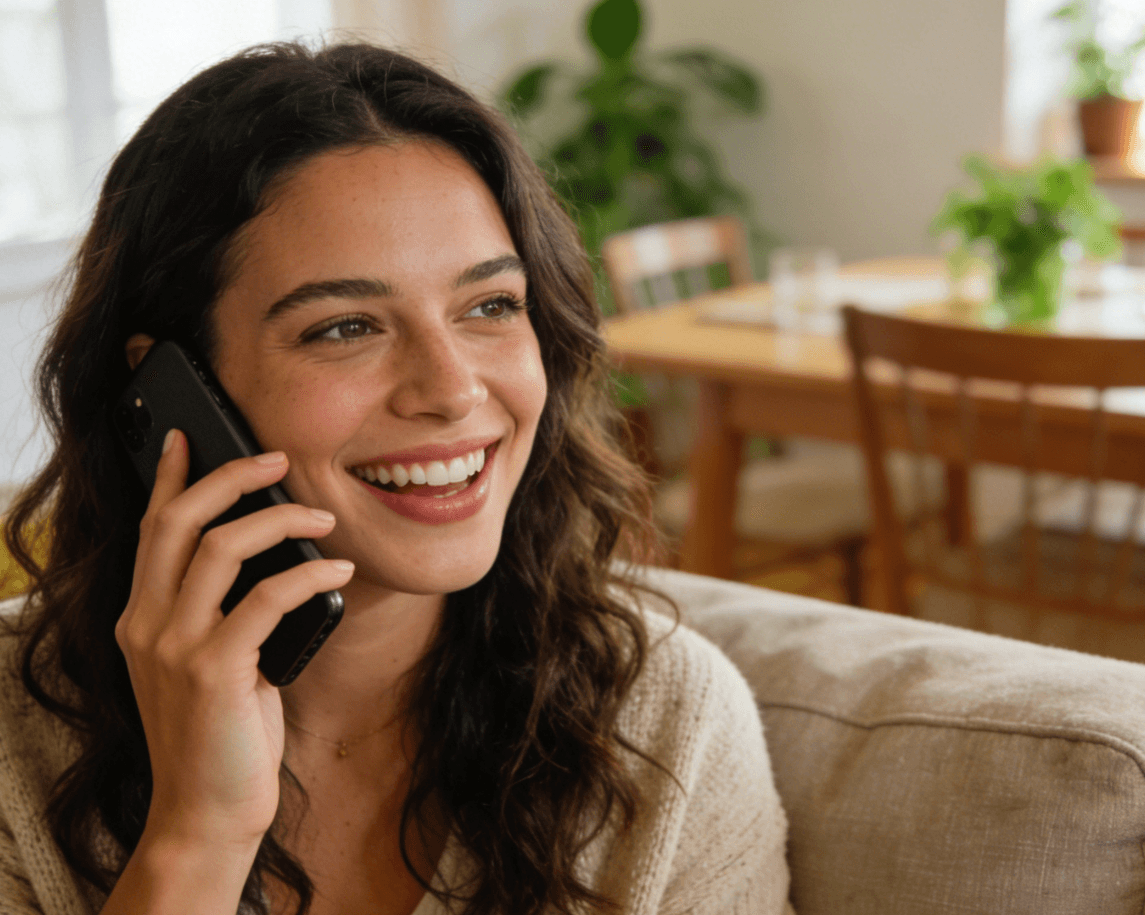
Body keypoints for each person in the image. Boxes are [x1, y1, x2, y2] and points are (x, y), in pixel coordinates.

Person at [0, 41, 790, 915]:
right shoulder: (13, 744)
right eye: (344, 328)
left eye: (491, 306)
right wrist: (197, 837)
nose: (453, 391)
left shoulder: (667, 721)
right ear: (171, 393)